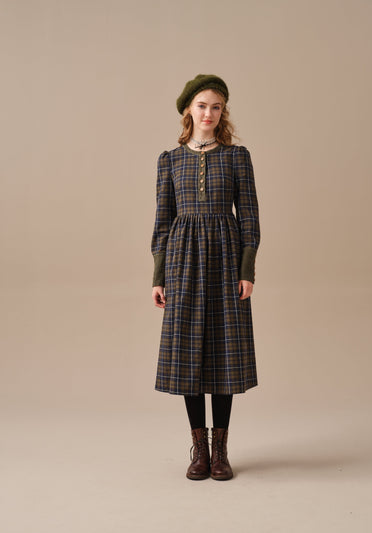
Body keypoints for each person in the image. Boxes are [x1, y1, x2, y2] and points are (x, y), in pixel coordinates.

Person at [151, 74, 260, 481]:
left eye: (216, 107)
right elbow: (163, 221)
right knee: (187, 353)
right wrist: (158, 276)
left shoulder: (237, 157)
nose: (209, 113)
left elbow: (249, 217)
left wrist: (246, 270)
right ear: (188, 110)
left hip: (225, 259)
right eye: (202, 106)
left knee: (224, 353)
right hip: (182, 261)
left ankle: (220, 451)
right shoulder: (170, 160)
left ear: (223, 112)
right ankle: (198, 448)